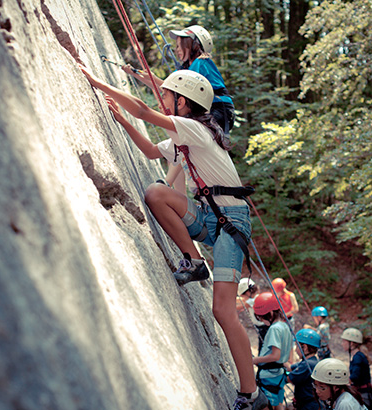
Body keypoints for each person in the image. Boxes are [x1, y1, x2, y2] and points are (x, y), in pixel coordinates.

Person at [78, 67, 267, 410]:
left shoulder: (196, 129)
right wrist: (122, 122)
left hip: (232, 224)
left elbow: (143, 109)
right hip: (213, 216)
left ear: (183, 101)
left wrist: (94, 80)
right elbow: (151, 151)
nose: (162, 101)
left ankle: (251, 393)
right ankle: (194, 261)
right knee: (156, 193)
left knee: (223, 311)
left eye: (167, 95)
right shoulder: (185, 140)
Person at [123, 25, 235, 135]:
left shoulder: (201, 62)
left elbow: (176, 91)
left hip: (219, 111)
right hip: (212, 111)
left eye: (180, 45)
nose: (177, 50)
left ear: (193, 44)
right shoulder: (186, 69)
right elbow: (166, 90)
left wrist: (153, 78)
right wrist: (136, 75)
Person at [252, 292, 294, 410]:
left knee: (266, 405)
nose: (261, 321)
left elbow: (275, 355)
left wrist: (255, 360)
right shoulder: (285, 326)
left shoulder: (274, 329)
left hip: (269, 375)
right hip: (279, 373)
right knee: (278, 403)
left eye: (261, 317)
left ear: (270, 313)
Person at [288, 329, 325, 410]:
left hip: (308, 406)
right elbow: (291, 367)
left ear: (304, 347)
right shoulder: (313, 361)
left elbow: (289, 379)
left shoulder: (306, 364)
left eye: (297, 346)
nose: (295, 350)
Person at [341, 328, 372, 409]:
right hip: (363, 392)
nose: (342, 344)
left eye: (344, 341)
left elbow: (354, 377)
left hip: (363, 393)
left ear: (351, 343)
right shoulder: (357, 356)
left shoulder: (358, 357)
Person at [236, 278, 269, 351]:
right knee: (264, 344)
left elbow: (238, 306)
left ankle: (262, 360)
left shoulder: (252, 301)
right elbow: (241, 300)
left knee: (263, 345)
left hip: (263, 327)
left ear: (247, 293)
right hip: (264, 326)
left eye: (242, 295)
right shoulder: (257, 297)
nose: (242, 297)